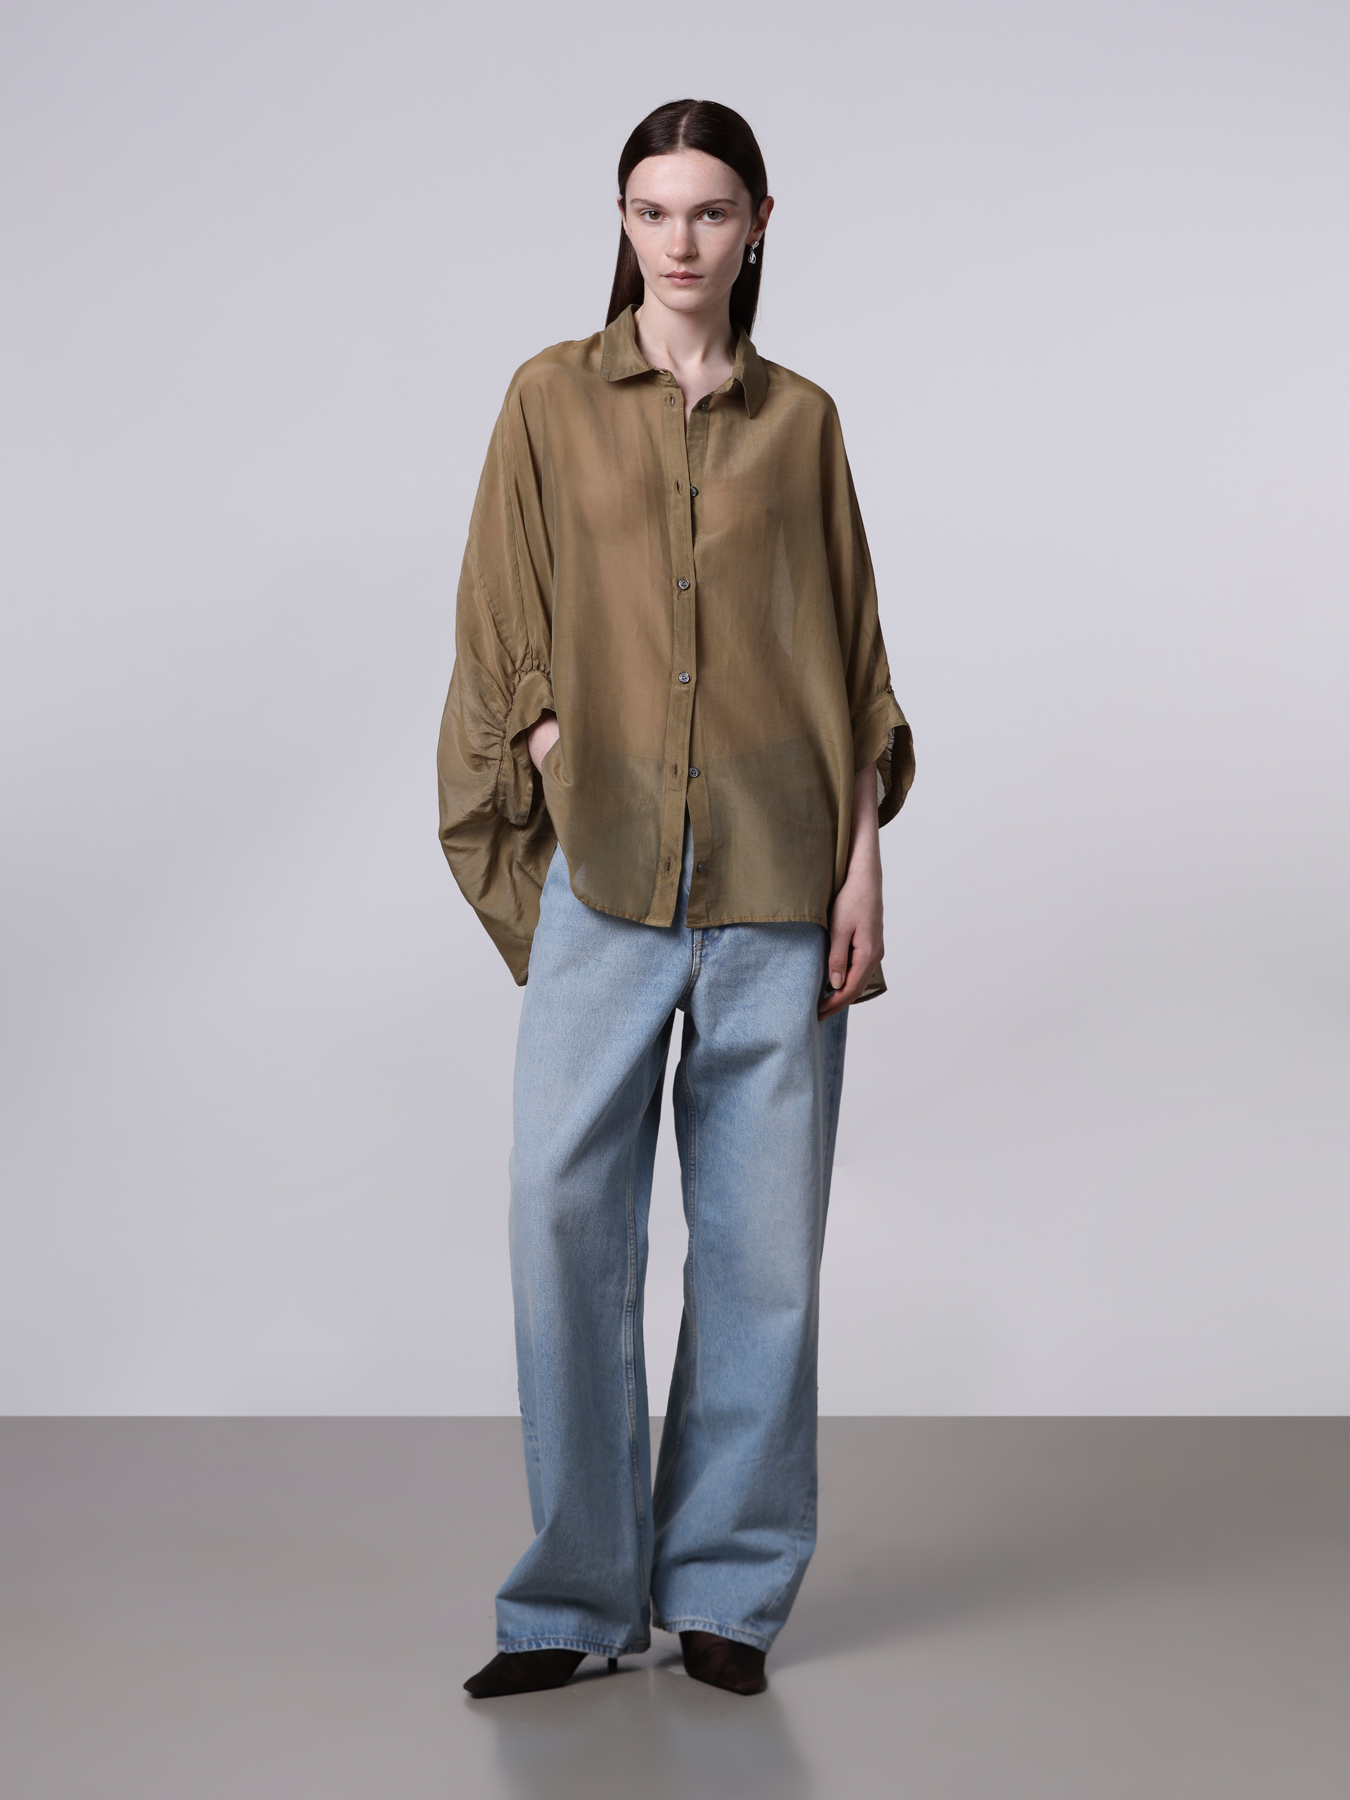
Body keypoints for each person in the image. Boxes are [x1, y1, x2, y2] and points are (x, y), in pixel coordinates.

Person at [437, 98, 914, 1700]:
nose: (680, 240)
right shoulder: (548, 400)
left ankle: (726, 1591)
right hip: (611, 868)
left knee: (762, 1249)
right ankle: (570, 1602)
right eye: (652, 211)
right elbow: (500, 618)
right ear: (622, 222)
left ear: (758, 222)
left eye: (710, 210)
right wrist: (561, 753)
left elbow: (849, 655)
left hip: (781, 870)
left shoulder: (803, 423)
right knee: (559, 1216)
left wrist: (863, 856)